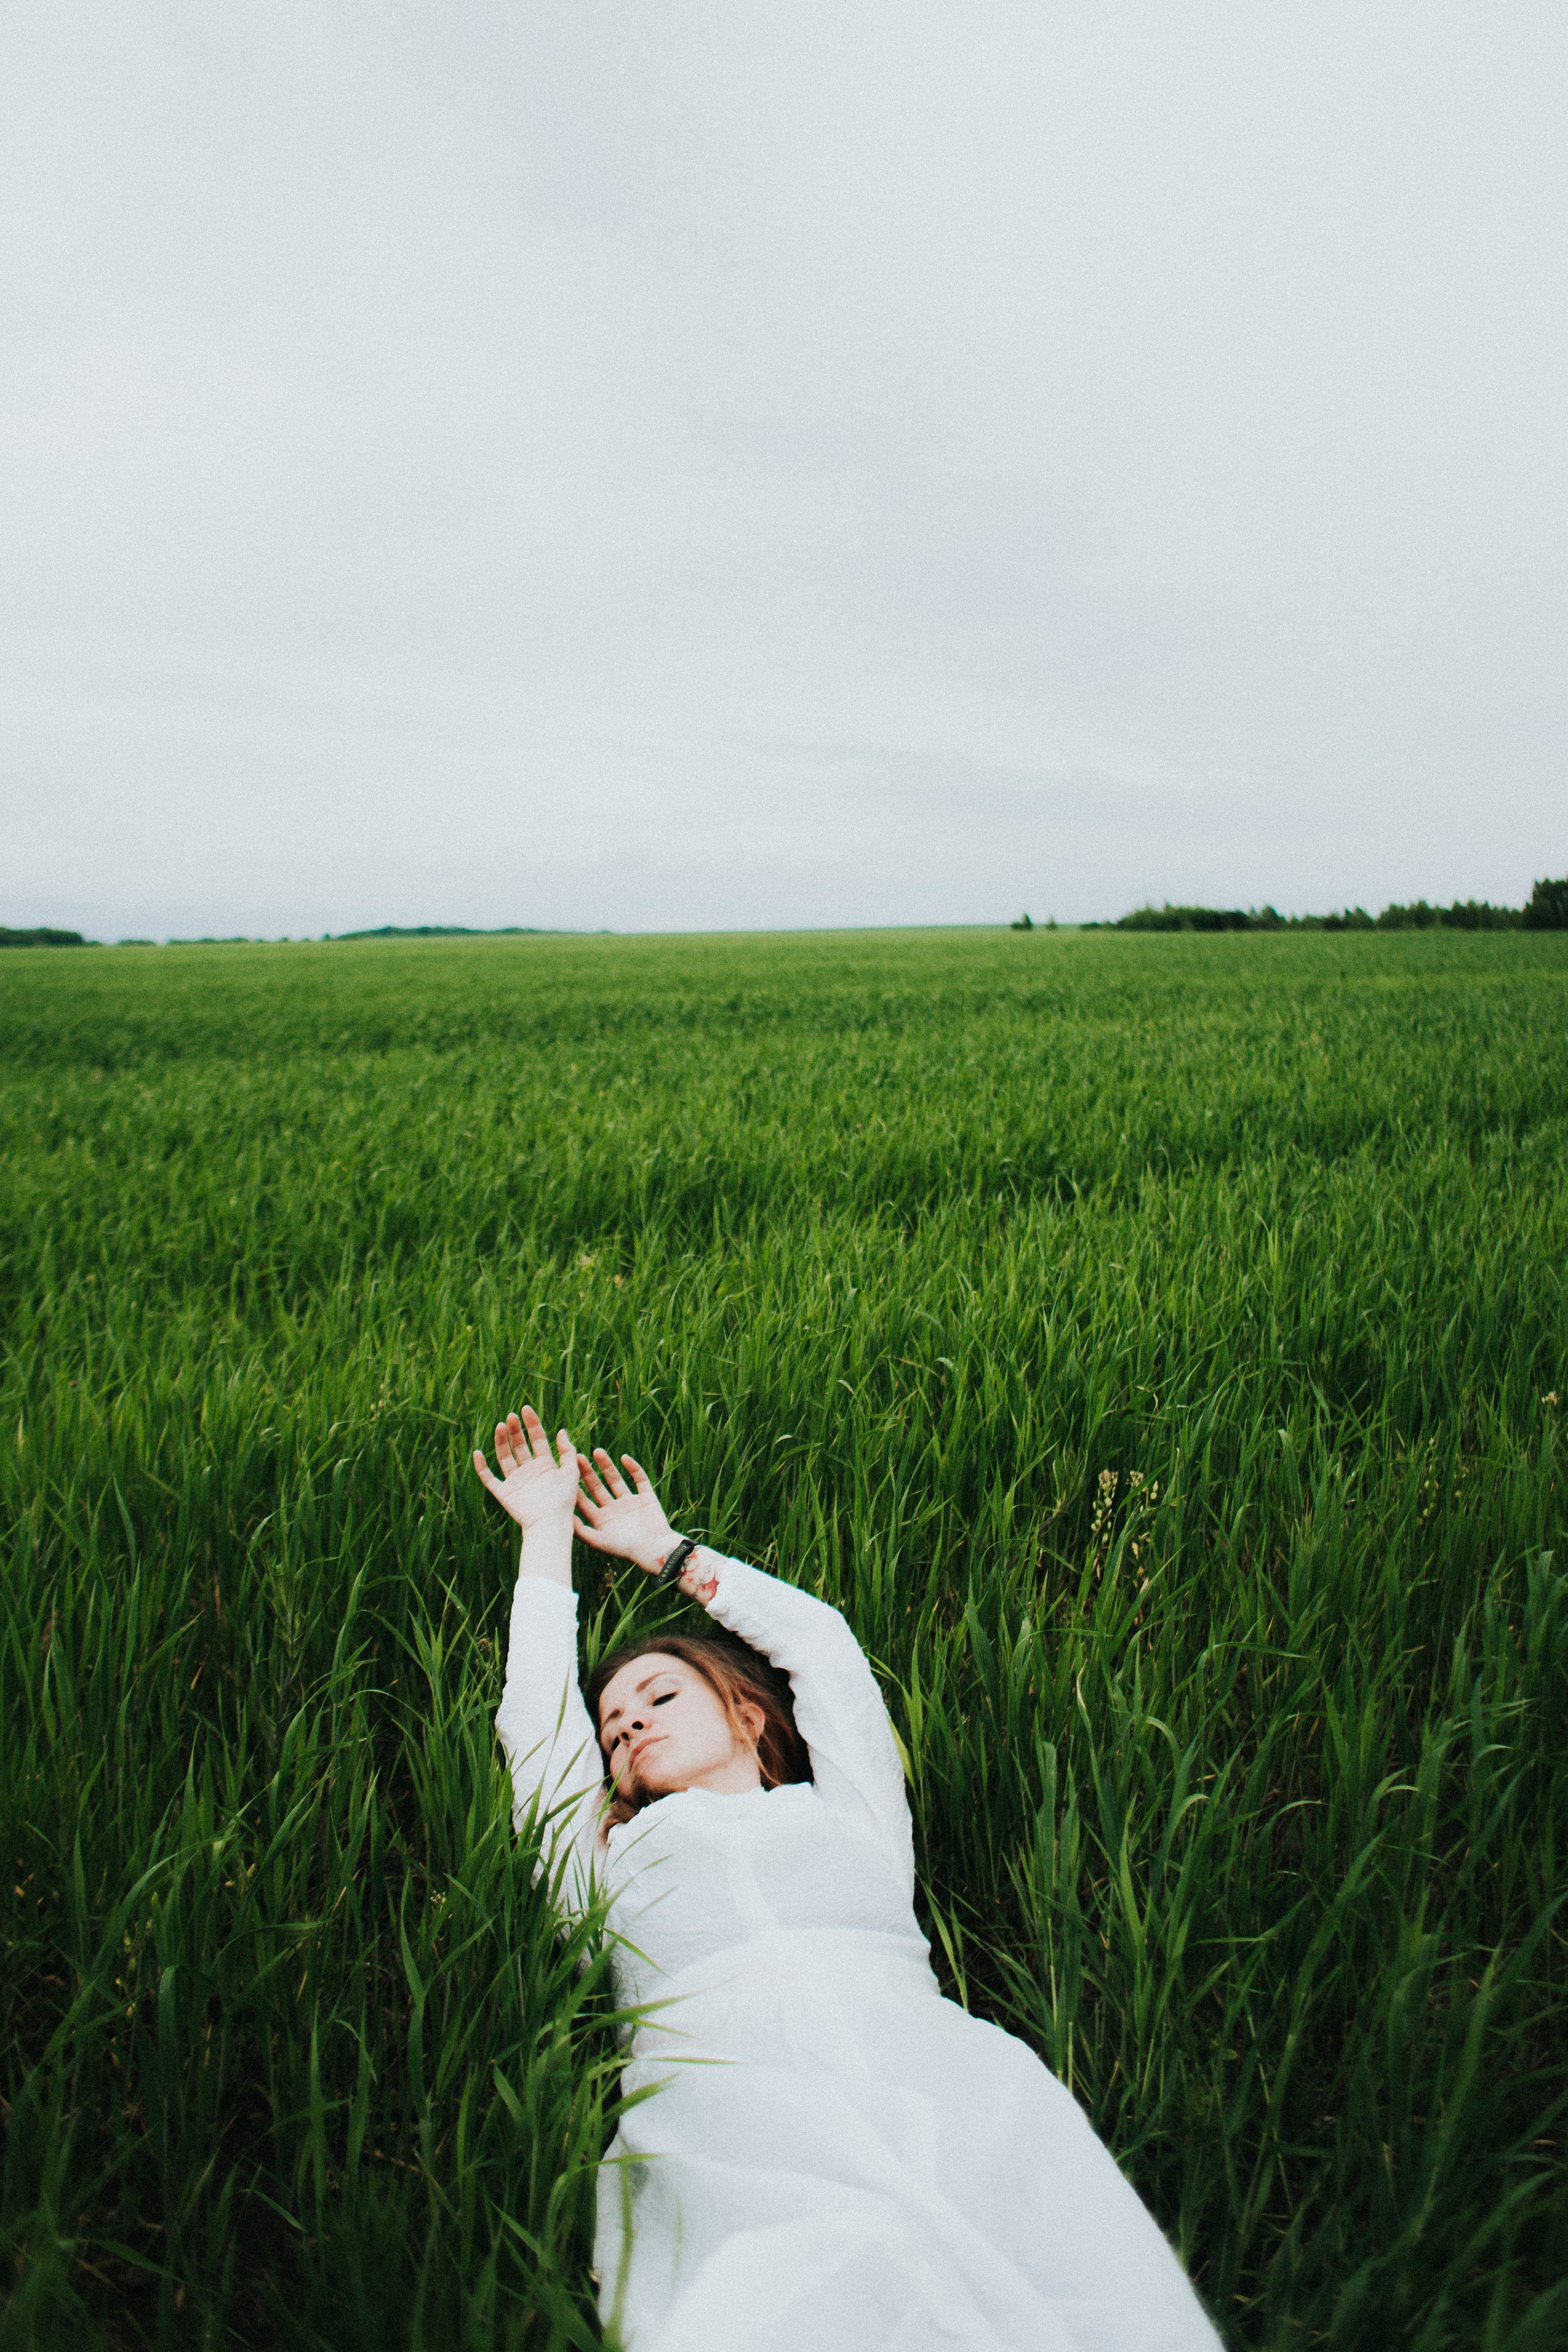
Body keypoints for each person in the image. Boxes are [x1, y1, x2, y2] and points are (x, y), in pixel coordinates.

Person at [475, 1404, 1220, 2352]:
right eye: (615, 1728)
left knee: (1058, 2286)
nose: (631, 1727)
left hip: (928, 2073)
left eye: (660, 1696)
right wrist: (545, 1536)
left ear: (748, 1716)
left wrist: (670, 1554)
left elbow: (823, 1648)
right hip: (724, 2102)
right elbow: (538, 1726)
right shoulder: (608, 1871)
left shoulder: (851, 1819)